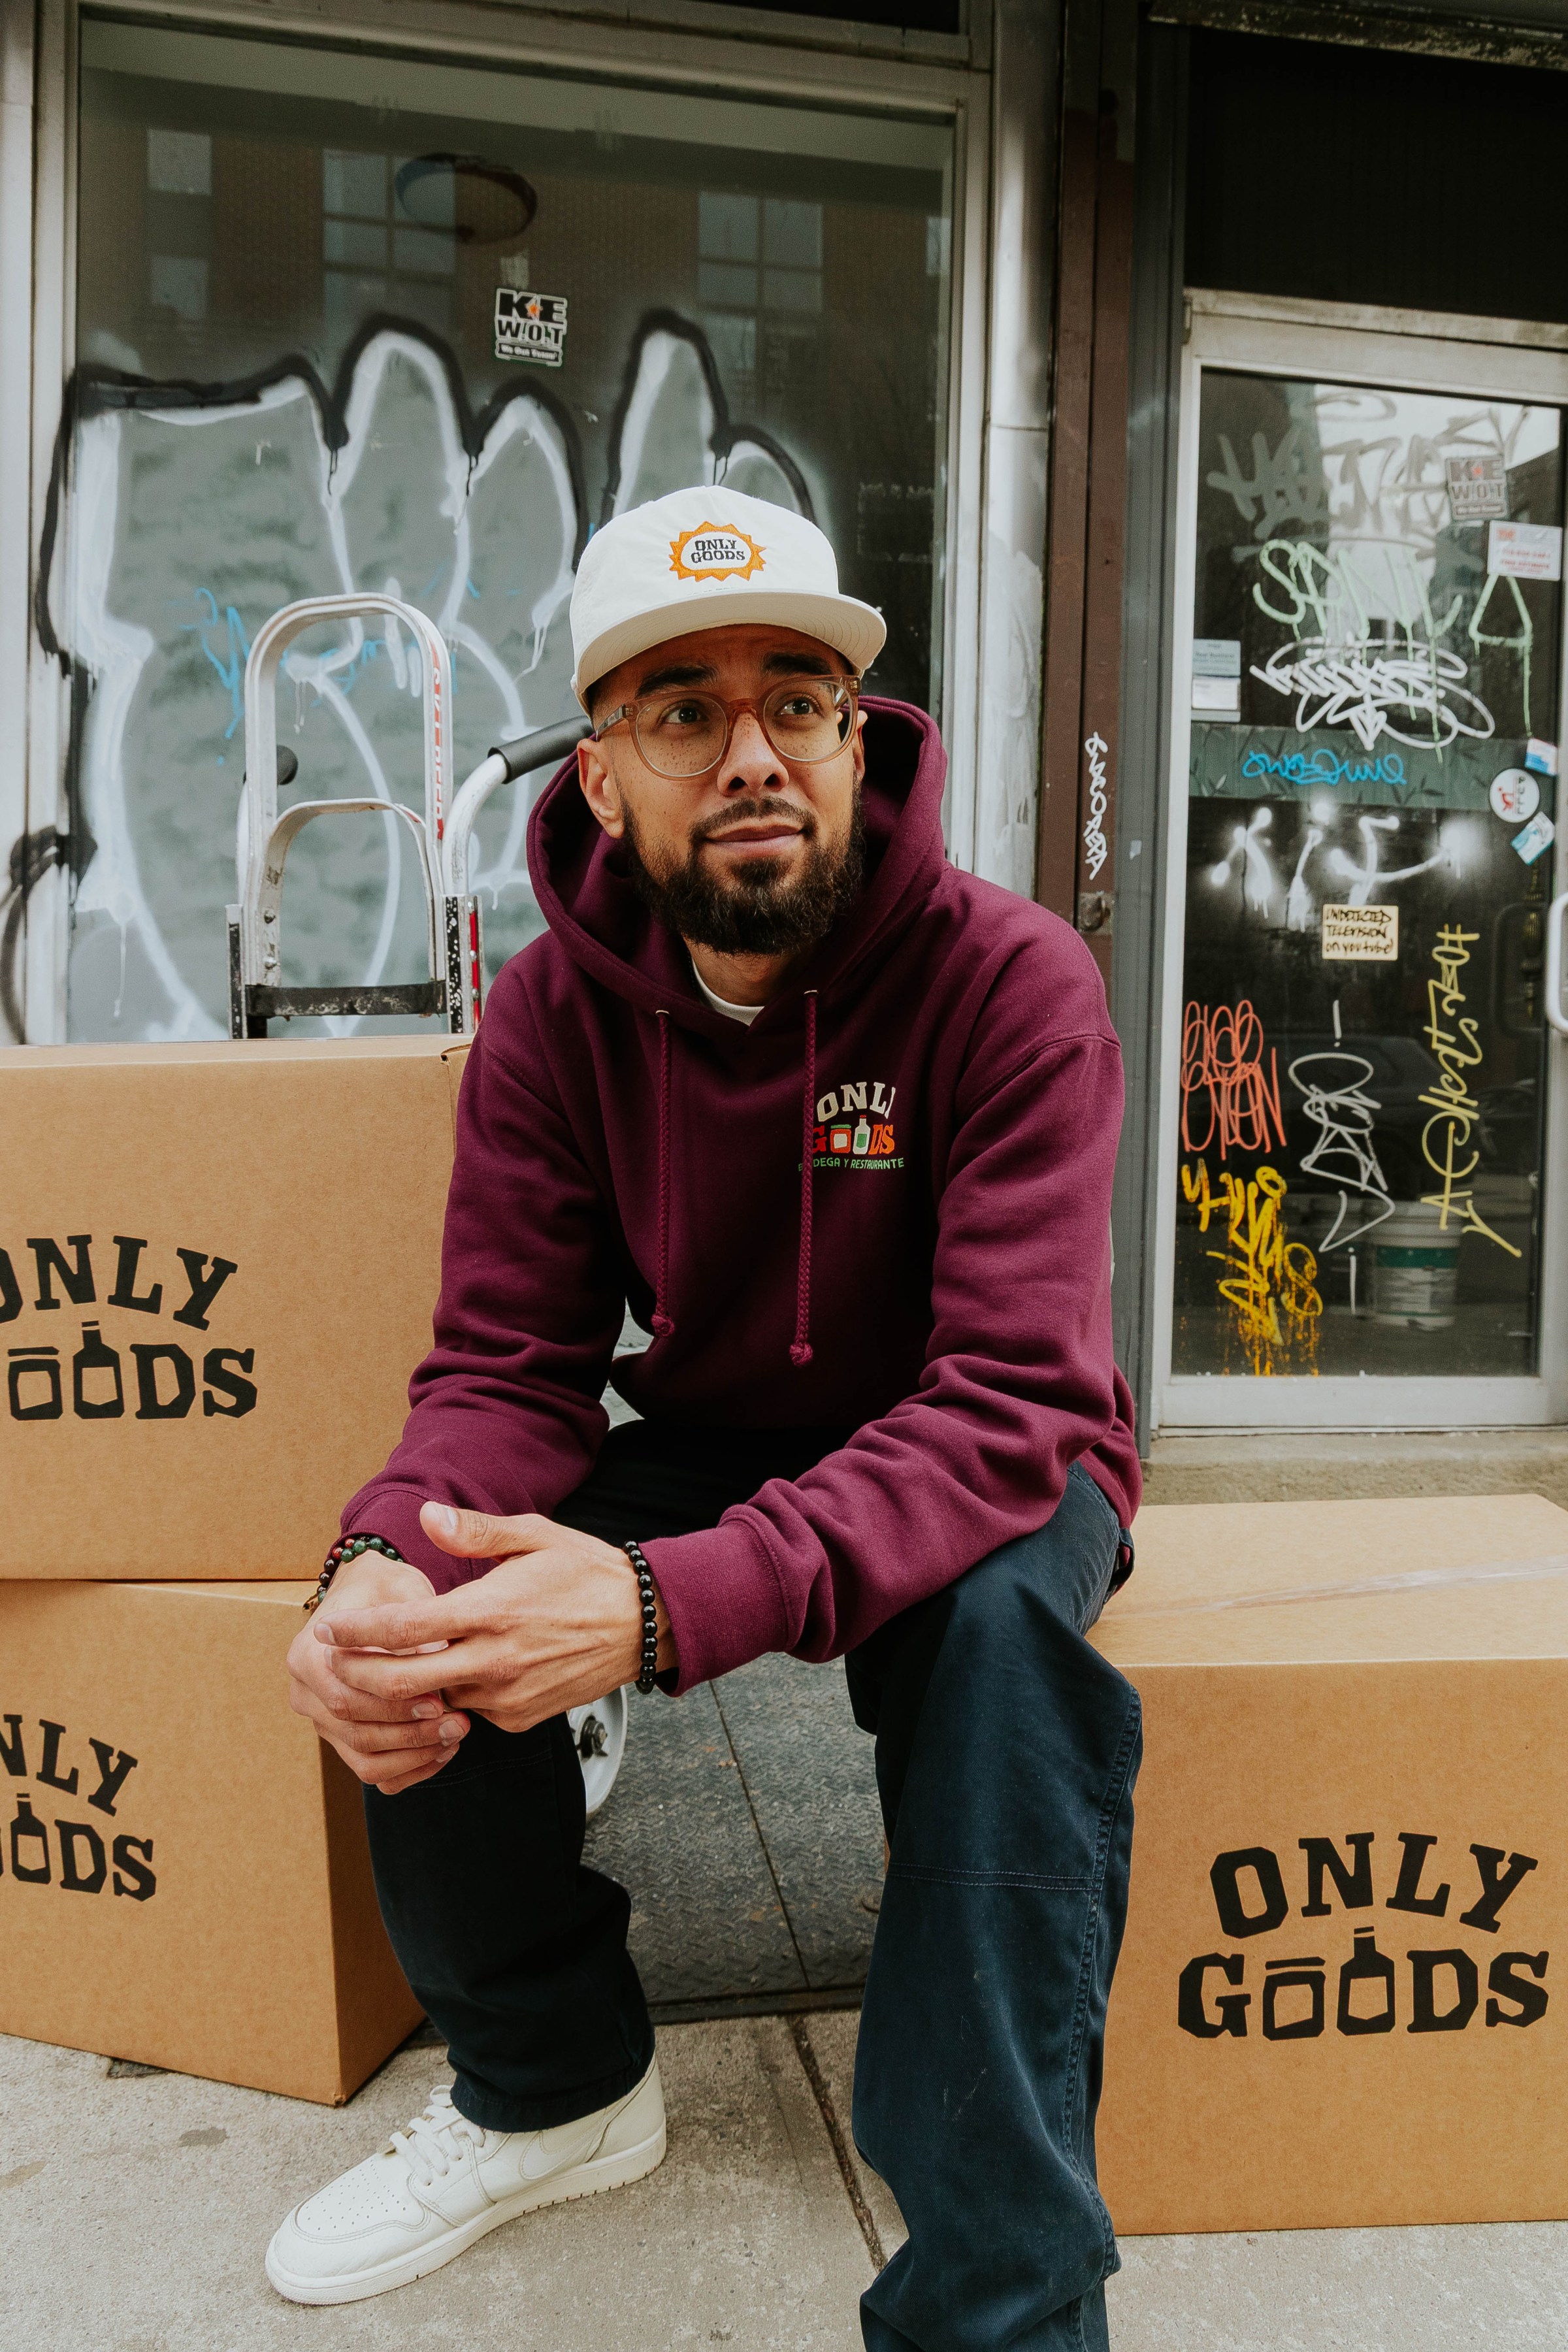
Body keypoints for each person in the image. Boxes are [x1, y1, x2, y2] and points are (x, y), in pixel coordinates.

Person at [269, 485, 1142, 2349]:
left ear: (854, 738)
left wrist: (663, 1606)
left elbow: (1013, 1401)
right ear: (603, 778)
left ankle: (1001, 2299)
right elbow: (506, 1365)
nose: (753, 755)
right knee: (432, 1585)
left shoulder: (1014, 984)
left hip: (988, 1447)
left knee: (1002, 1653)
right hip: (728, 1422)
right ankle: (550, 2089)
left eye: (796, 701)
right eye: (684, 711)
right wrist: (376, 1558)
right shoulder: (551, 1021)